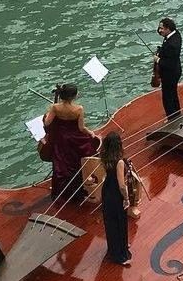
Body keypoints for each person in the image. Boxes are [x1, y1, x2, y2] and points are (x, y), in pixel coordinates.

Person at [42, 83, 97, 198]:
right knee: (78, 163)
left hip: (60, 139)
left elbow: (47, 122)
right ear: (73, 96)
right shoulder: (79, 109)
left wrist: (47, 114)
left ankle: (62, 193)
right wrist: (90, 132)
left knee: (61, 166)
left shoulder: (55, 107)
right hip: (75, 140)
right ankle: (80, 188)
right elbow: (81, 128)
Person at [97, 132, 133, 266]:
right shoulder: (119, 161)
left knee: (110, 221)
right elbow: (122, 185)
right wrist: (126, 198)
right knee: (120, 221)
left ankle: (114, 247)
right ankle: (120, 254)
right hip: (116, 194)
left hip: (107, 190)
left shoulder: (105, 157)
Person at [155, 17, 182, 119]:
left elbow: (169, 63)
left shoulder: (172, 45)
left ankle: (172, 118)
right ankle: (177, 113)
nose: (160, 30)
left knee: (167, 97)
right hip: (176, 70)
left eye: (162, 28)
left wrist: (157, 60)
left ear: (168, 29)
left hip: (170, 73)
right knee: (173, 93)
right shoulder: (176, 34)